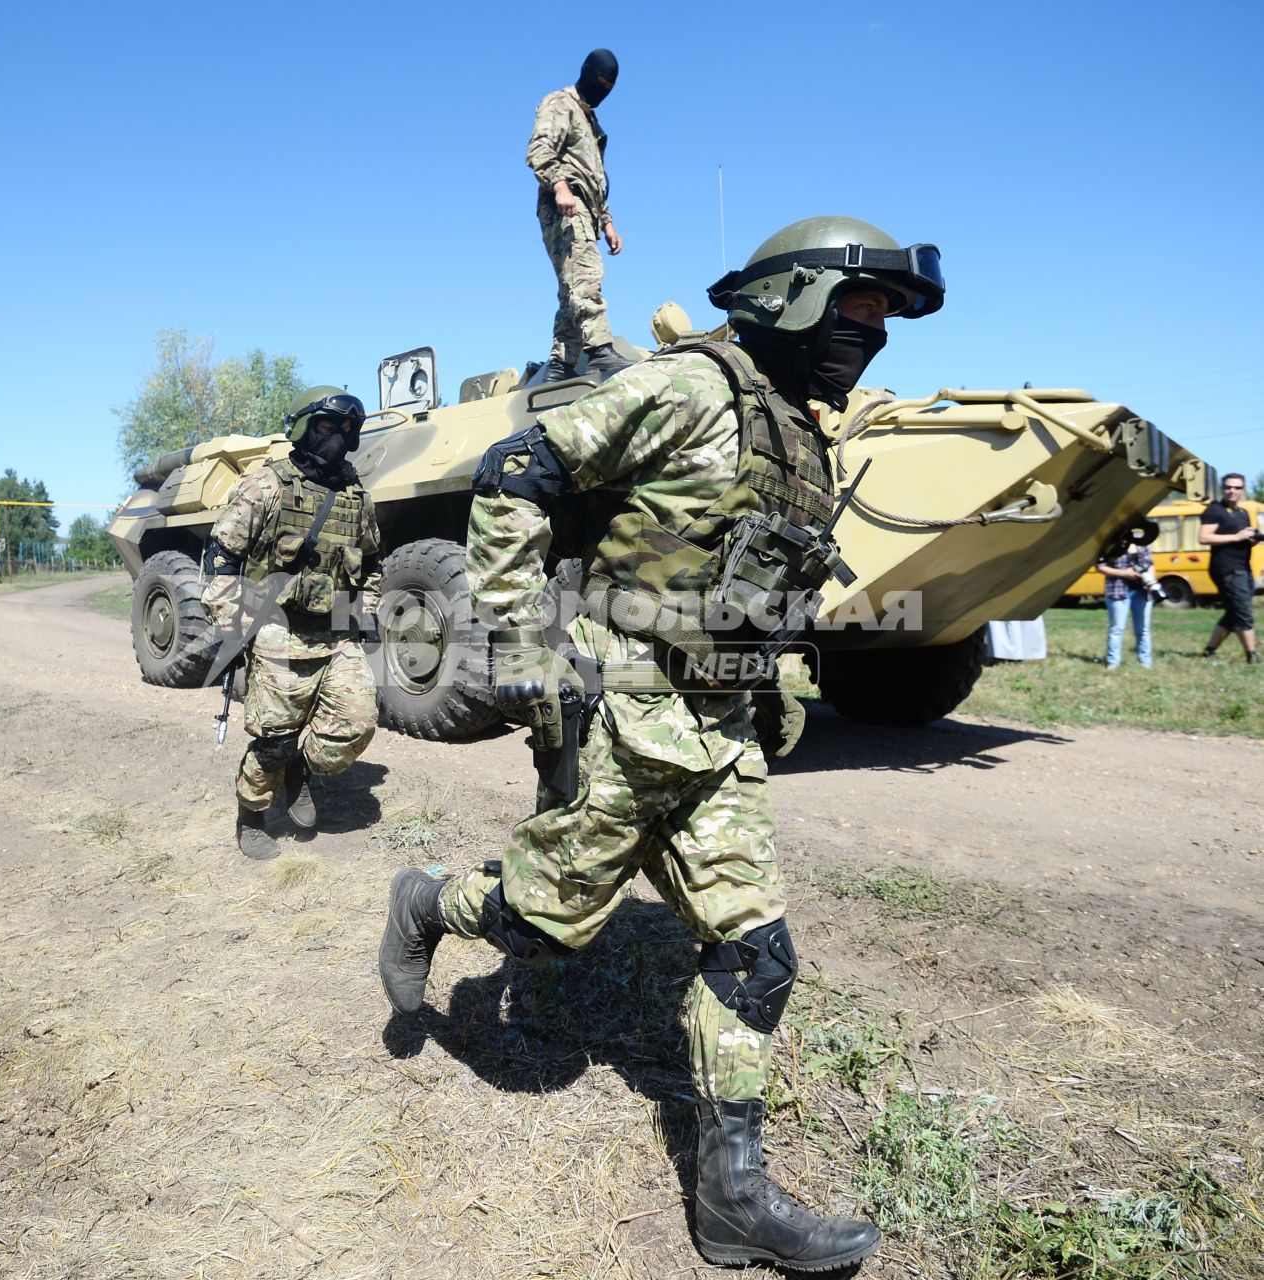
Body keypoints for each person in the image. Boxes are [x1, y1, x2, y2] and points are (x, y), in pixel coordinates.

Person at [380, 216, 945, 1270]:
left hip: (718, 728)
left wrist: (768, 674)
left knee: (756, 954)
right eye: (857, 310)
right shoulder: (688, 388)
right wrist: (517, 638)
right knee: (546, 927)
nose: (870, 334)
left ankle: (733, 1199)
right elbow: (518, 472)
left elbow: (750, 572)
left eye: (883, 321)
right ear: (792, 299)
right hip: (623, 710)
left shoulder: (800, 426)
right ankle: (430, 899)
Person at [200, 387, 383, 858]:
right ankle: (252, 817)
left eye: (346, 431)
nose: (338, 438)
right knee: (273, 738)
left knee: (356, 724)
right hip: (277, 624)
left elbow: (374, 562)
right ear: (303, 429)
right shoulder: (265, 486)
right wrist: (228, 627)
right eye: (327, 427)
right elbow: (222, 559)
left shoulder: (355, 495)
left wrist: (369, 611)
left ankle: (302, 767)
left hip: (337, 629)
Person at [526, 49, 631, 384]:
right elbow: (539, 149)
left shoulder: (590, 121)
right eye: (600, 83)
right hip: (564, 204)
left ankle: (562, 361)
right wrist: (559, 187)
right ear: (587, 73)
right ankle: (600, 349)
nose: (603, 91)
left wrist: (608, 222)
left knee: (570, 285)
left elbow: (594, 179)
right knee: (585, 276)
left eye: (609, 87)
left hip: (586, 205)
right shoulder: (560, 104)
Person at [1199, 473, 1259, 663]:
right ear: (1222, 489)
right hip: (1226, 568)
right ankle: (1252, 655)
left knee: (1234, 612)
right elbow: (1204, 537)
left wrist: (1251, 539)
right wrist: (1236, 537)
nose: (1232, 491)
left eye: (1237, 487)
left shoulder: (1242, 513)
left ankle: (1209, 651)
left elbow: (1242, 537)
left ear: (1243, 490)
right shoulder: (1215, 510)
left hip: (1244, 567)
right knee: (1243, 611)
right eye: (1228, 487)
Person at [1097, 536, 1155, 669]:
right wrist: (1124, 573)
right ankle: (1113, 662)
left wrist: (1150, 582)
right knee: (1117, 628)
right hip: (1118, 590)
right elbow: (1100, 566)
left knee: (1143, 629)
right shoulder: (1110, 544)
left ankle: (1145, 662)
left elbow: (1150, 564)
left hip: (1141, 591)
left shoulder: (1143, 543)